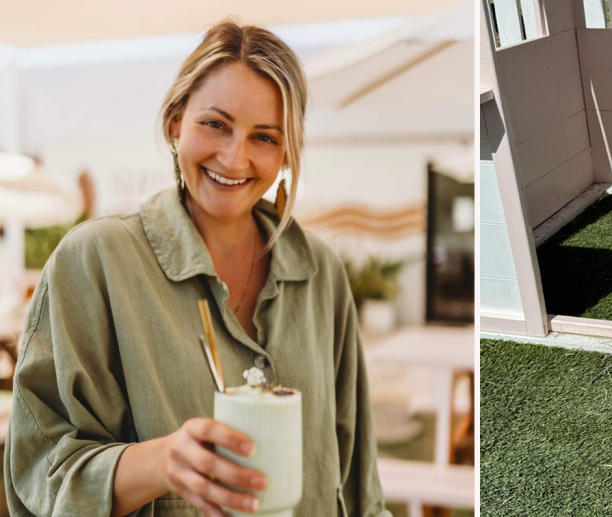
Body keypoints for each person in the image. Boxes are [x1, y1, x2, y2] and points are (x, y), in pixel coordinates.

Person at [3, 22, 390, 517]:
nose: (234, 156)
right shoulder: (93, 261)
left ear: (287, 153)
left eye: (264, 137)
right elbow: (39, 475)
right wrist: (162, 462)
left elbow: (358, 484)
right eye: (215, 124)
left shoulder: (322, 273)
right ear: (174, 122)